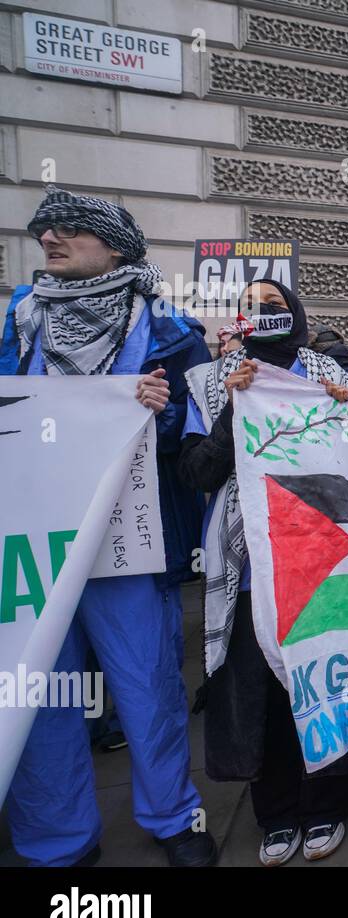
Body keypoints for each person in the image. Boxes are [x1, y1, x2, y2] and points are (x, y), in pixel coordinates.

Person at [3, 185, 216, 867]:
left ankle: (173, 814)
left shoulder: (166, 325)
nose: (50, 240)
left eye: (67, 229)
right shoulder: (19, 319)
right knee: (43, 687)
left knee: (145, 680)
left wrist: (164, 411)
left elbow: (200, 425)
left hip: (128, 542)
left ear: (116, 246)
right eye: (44, 231)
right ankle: (55, 839)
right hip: (35, 542)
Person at [179, 278, 348, 866]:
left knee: (321, 679)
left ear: (298, 314)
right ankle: (277, 812)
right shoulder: (212, 383)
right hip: (249, 566)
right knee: (259, 691)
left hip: (321, 557)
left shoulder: (332, 376)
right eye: (254, 308)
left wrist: (346, 411)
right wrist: (235, 409)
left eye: (277, 306)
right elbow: (198, 475)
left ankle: (329, 803)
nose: (266, 314)